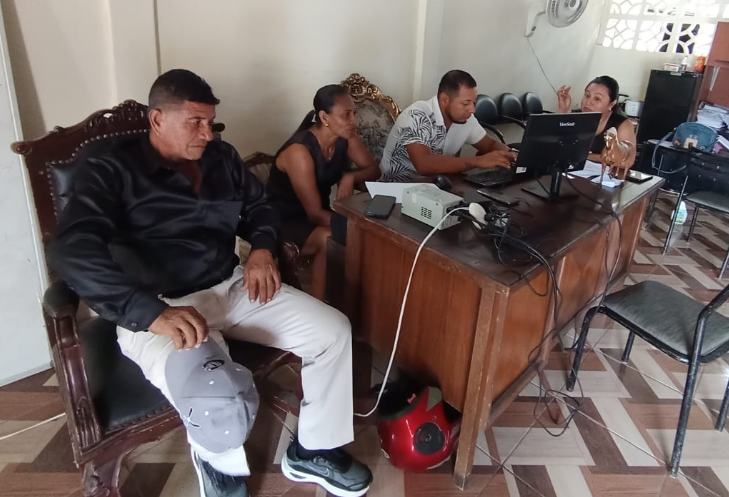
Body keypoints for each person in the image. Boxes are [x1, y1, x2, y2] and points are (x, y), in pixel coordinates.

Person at [48, 69, 372, 497]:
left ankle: (313, 450)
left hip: (233, 287)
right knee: (219, 397)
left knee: (333, 331)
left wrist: (261, 248)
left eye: (211, 122)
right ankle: (220, 469)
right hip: (161, 308)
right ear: (157, 119)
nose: (207, 133)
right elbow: (71, 249)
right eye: (195, 122)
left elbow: (261, 207)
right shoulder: (110, 167)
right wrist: (150, 313)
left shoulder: (221, 158)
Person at [267, 84, 379, 301]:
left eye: (354, 113)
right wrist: (355, 226)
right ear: (324, 117)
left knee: (363, 237)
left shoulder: (346, 137)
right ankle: (320, 304)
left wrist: (349, 177)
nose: (354, 120)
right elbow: (315, 214)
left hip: (318, 215)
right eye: (346, 115)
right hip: (284, 220)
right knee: (333, 238)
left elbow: (374, 170)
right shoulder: (299, 151)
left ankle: (352, 302)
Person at [378, 70, 516, 182]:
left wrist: (511, 154)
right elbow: (424, 164)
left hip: (436, 187)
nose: (472, 109)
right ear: (445, 99)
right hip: (394, 191)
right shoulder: (417, 115)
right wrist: (478, 161)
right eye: (465, 103)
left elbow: (489, 144)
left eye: (473, 102)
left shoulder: (465, 118)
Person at [557, 75, 637, 178]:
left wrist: (587, 156)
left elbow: (627, 162)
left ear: (611, 104)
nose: (588, 102)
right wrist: (563, 111)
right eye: (587, 95)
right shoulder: (575, 117)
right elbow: (556, 148)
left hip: (605, 181)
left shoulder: (623, 124)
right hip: (571, 177)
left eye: (597, 99)